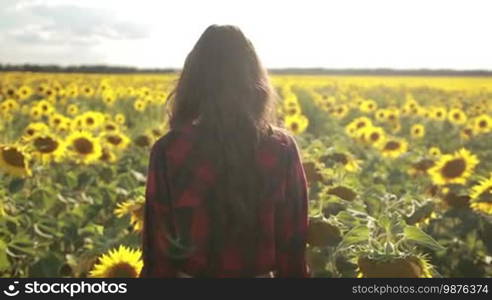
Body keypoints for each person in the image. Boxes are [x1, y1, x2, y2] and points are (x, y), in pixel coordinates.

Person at [139, 24, 309, 278]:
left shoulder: (170, 150)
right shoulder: (280, 149)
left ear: (193, 82)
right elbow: (292, 246)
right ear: (254, 82)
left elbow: (159, 252)